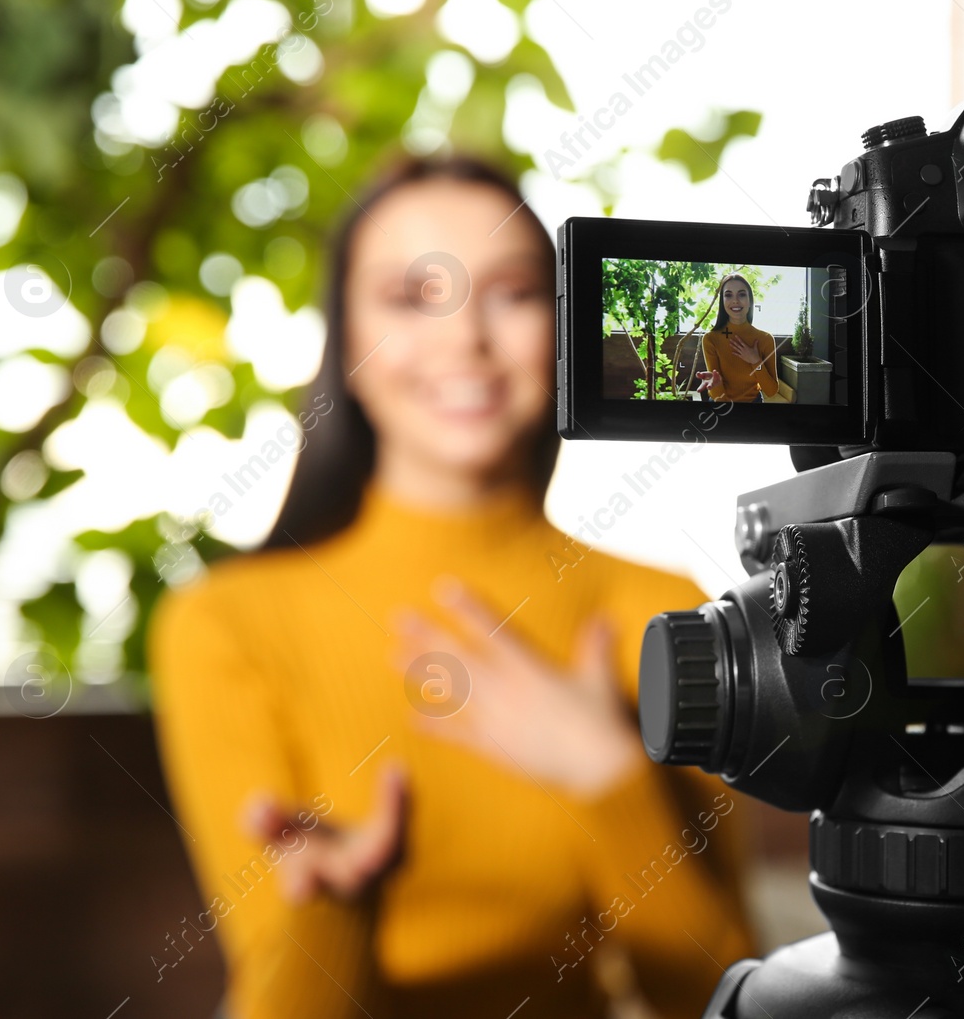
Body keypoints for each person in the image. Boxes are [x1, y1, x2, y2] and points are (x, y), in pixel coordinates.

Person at [149, 154, 754, 1019]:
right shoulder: (226, 622)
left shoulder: (663, 607)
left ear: (565, 330)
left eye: (510, 292)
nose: (464, 340)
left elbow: (719, 995)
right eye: (410, 297)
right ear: (347, 338)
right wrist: (335, 909)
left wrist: (609, 776)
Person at [696, 272, 778, 402]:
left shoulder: (765, 339)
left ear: (750, 300)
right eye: (728, 295)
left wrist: (756, 361)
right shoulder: (711, 339)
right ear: (722, 302)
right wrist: (715, 385)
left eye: (742, 294)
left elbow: (771, 390)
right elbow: (718, 397)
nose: (735, 300)